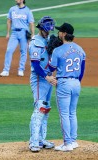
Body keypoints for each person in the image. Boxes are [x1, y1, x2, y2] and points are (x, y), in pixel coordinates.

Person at [48, 22, 86, 152]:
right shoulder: (80, 49)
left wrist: (49, 58)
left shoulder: (57, 50)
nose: (58, 33)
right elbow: (82, 70)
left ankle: (67, 143)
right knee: (72, 113)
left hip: (64, 83)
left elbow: (51, 69)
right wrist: (76, 81)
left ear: (64, 34)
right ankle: (74, 141)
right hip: (76, 83)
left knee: (64, 114)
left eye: (60, 31)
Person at [28, 16, 57, 152]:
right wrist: (47, 77)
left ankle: (41, 139)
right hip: (40, 79)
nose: (49, 32)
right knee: (39, 108)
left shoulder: (48, 40)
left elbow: (50, 62)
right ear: (41, 29)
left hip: (48, 78)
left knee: (46, 110)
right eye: (47, 30)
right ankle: (33, 142)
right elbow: (36, 65)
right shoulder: (35, 42)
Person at [0, 0, 35, 77]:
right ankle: (6, 70)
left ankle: (21, 69)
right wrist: (8, 33)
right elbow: (9, 21)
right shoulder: (12, 9)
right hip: (14, 33)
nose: (16, 0)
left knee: (23, 51)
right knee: (9, 50)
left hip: (24, 33)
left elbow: (31, 23)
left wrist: (32, 35)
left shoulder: (27, 11)